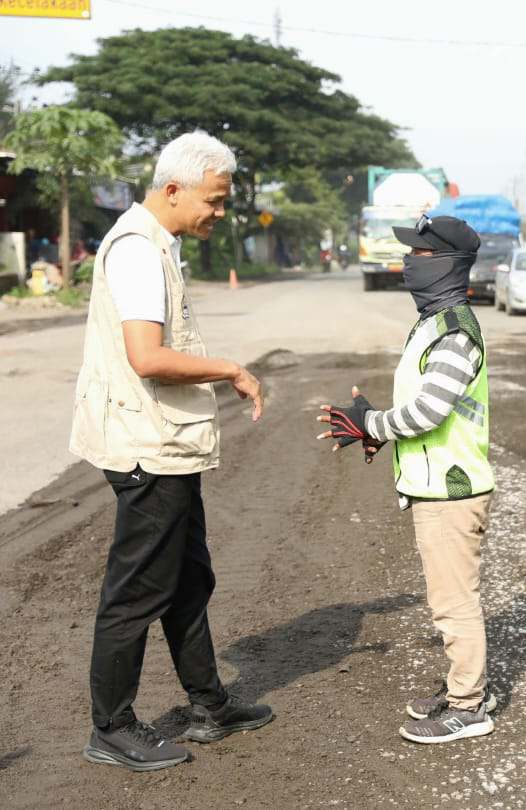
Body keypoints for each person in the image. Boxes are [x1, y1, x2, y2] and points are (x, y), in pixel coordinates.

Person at [70, 132, 273, 772]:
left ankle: (209, 704)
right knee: (137, 591)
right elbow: (148, 357)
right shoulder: (136, 250)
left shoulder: (162, 244)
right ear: (175, 188)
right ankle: (112, 727)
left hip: (166, 445)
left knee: (188, 580)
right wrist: (231, 369)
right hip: (145, 448)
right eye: (214, 201)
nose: (219, 212)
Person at [317, 214, 496, 745]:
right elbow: (418, 412)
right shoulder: (433, 323)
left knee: (454, 600)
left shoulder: (456, 332)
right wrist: (378, 432)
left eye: (416, 257)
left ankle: (469, 706)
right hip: (434, 486)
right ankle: (462, 688)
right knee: (447, 595)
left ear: (443, 264)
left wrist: (371, 424)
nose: (405, 266)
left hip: (452, 490)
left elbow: (427, 413)